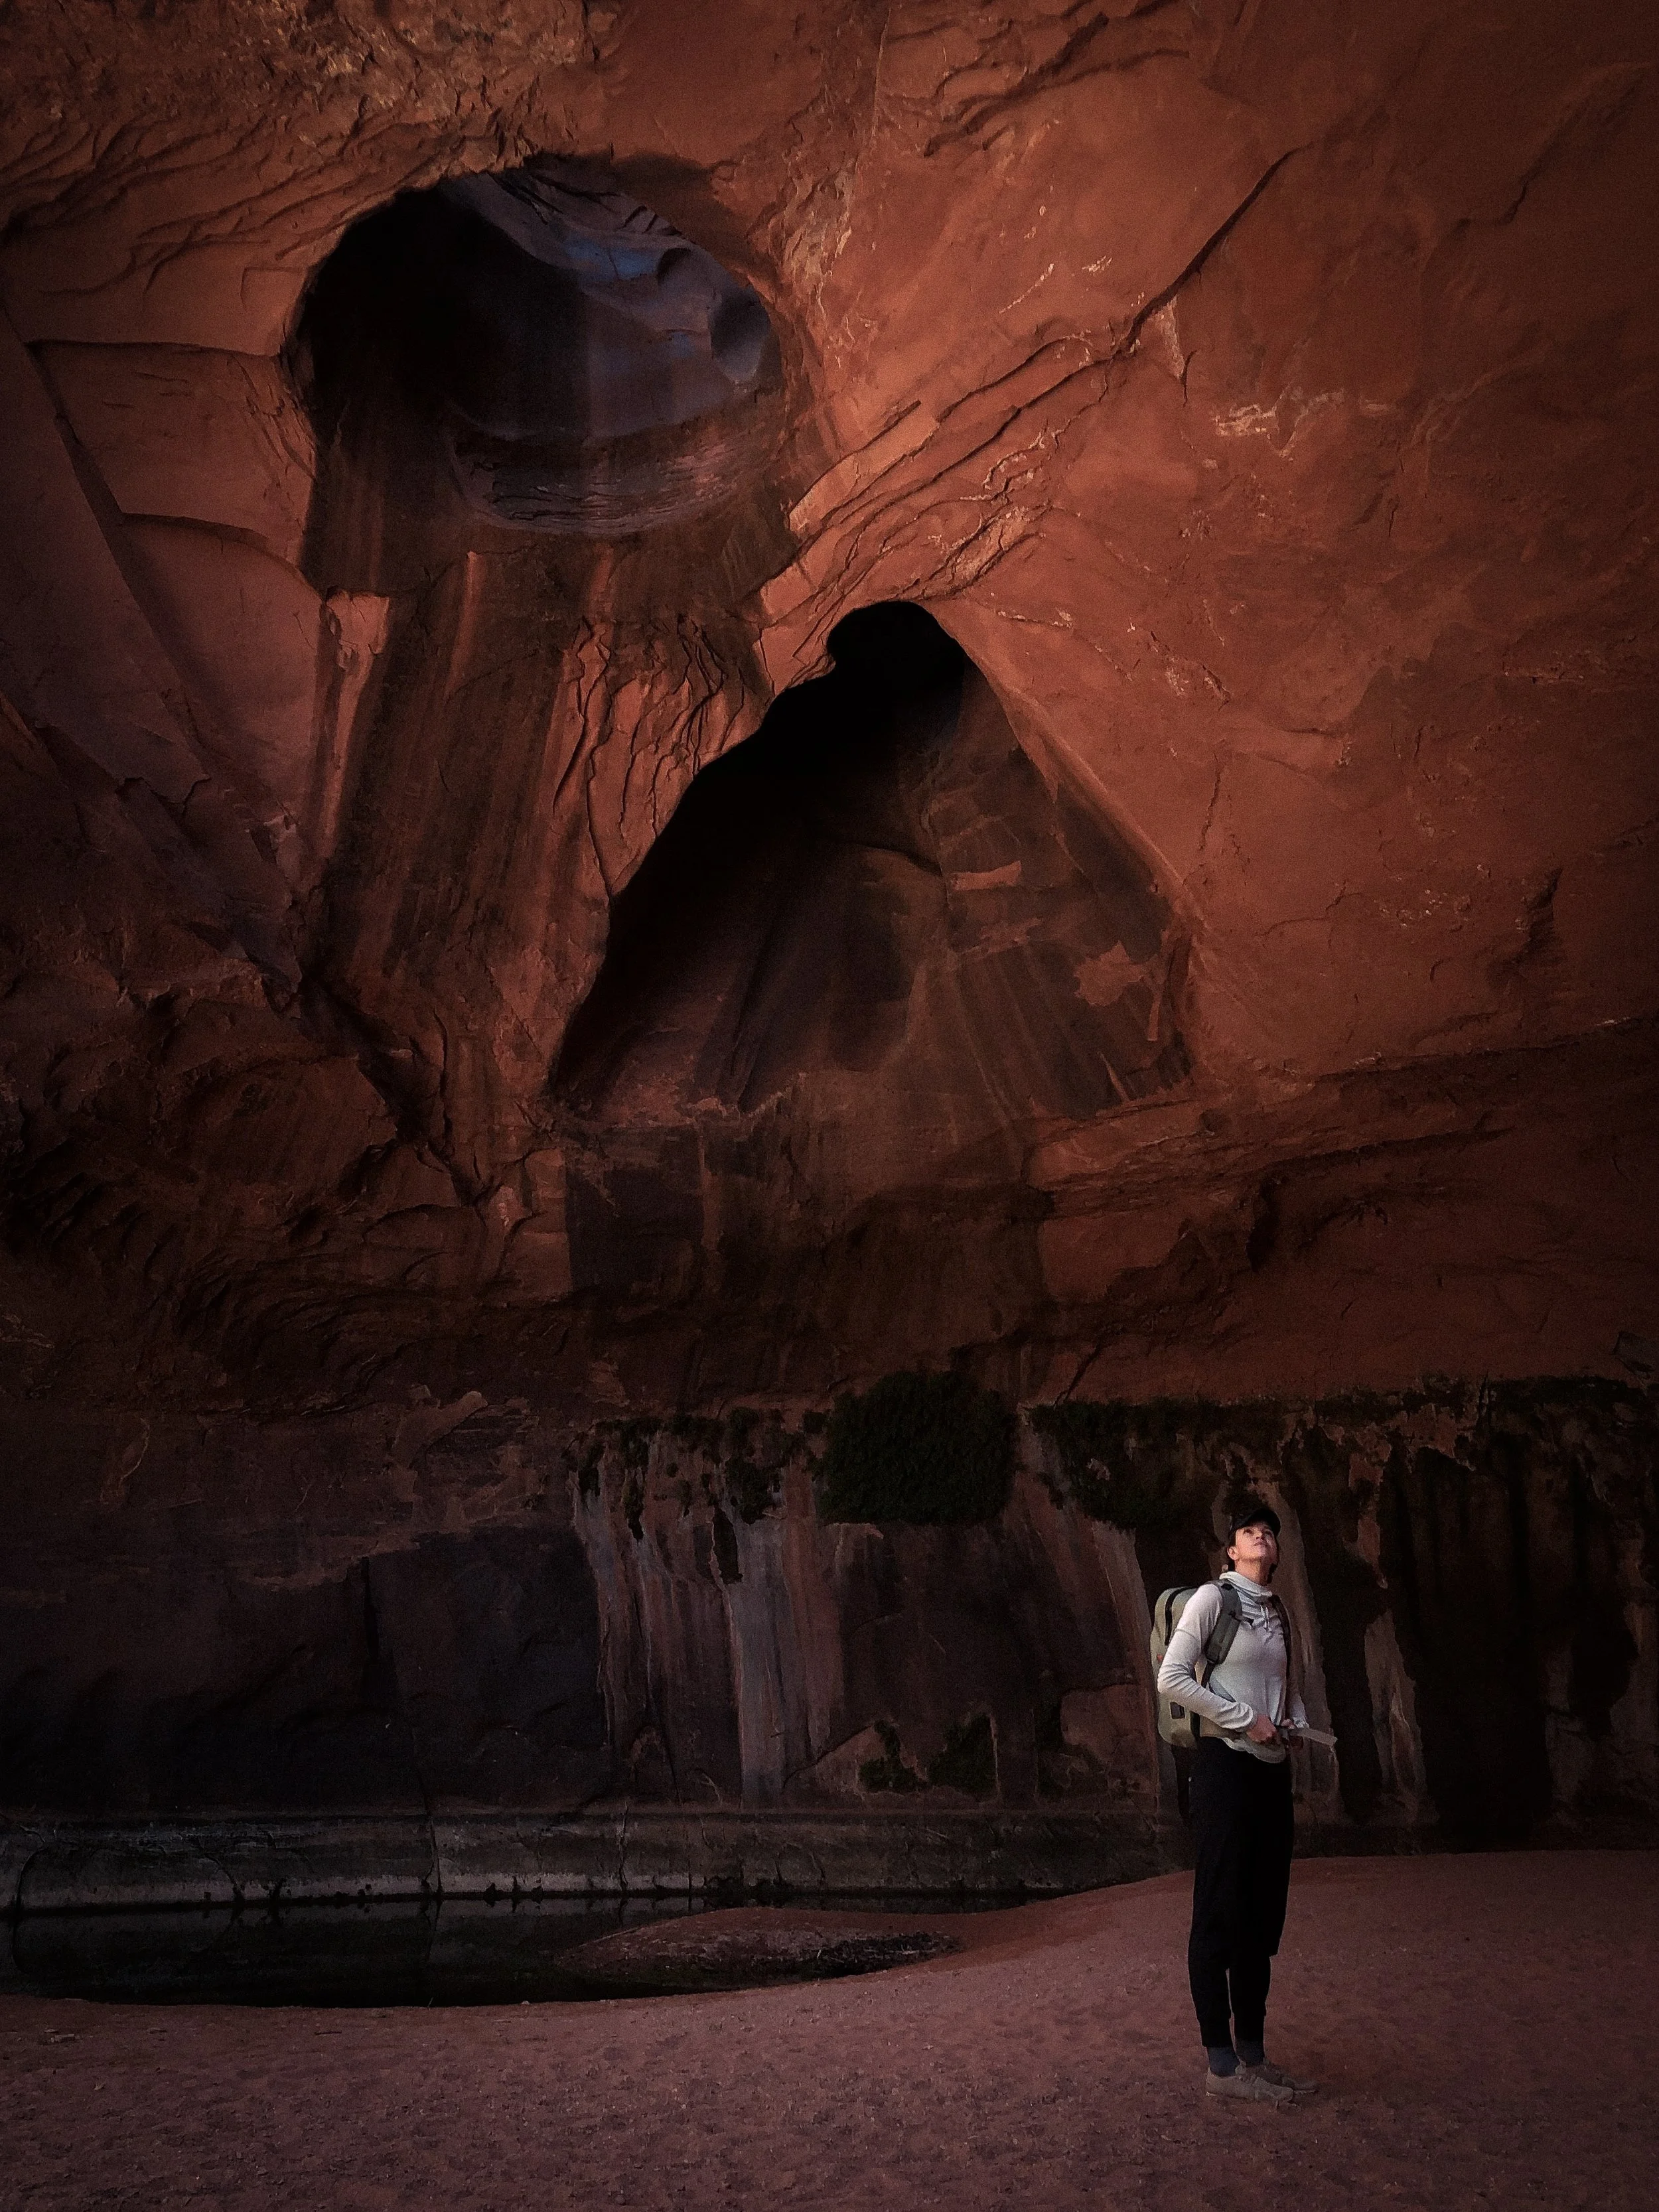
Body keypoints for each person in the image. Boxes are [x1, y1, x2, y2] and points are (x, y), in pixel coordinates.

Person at [1155, 1496, 1319, 2105]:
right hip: (1224, 1769)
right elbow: (1174, 1677)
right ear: (1232, 1549)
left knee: (1261, 1916)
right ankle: (1221, 2067)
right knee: (1220, 1911)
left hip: (1271, 1774)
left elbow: (1289, 1686)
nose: (1262, 1540)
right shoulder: (1211, 1600)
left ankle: (1254, 2054)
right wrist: (1243, 1720)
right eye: (1250, 1532)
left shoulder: (1278, 1612)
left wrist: (1292, 1722)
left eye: (1270, 1534)